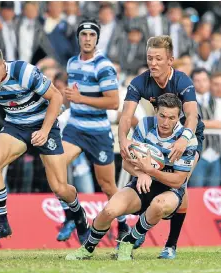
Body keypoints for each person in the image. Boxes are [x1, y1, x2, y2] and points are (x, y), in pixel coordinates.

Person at [0, 44, 89, 244]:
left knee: (60, 187)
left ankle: (78, 215)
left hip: (44, 122)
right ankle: (2, 224)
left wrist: (45, 130)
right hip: (15, 125)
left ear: (3, 63)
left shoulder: (23, 71)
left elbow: (56, 96)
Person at [66, 93, 198, 261]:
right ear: (155, 111)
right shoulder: (145, 125)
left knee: (158, 205)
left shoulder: (187, 140)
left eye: (171, 118)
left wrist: (151, 172)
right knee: (109, 210)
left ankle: (128, 242)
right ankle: (87, 249)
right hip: (141, 183)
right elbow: (127, 162)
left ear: (179, 117)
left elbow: (179, 180)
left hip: (170, 190)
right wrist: (141, 173)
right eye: (162, 116)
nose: (165, 122)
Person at [118, 35, 205, 259]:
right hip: (157, 135)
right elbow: (126, 116)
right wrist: (123, 140)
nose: (153, 63)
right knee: (149, 177)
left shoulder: (183, 81)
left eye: (158, 58)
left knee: (179, 184)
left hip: (189, 136)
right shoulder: (139, 82)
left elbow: (193, 116)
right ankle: (141, 230)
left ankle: (170, 245)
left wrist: (184, 138)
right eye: (149, 58)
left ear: (170, 60)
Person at [56, 19, 130, 244]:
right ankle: (74, 216)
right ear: (78, 38)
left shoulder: (103, 65)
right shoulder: (71, 63)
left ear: (97, 38)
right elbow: (75, 96)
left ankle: (124, 224)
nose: (87, 39)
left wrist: (80, 99)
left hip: (98, 132)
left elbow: (113, 102)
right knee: (54, 166)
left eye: (91, 35)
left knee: (107, 185)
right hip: (75, 128)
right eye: (83, 35)